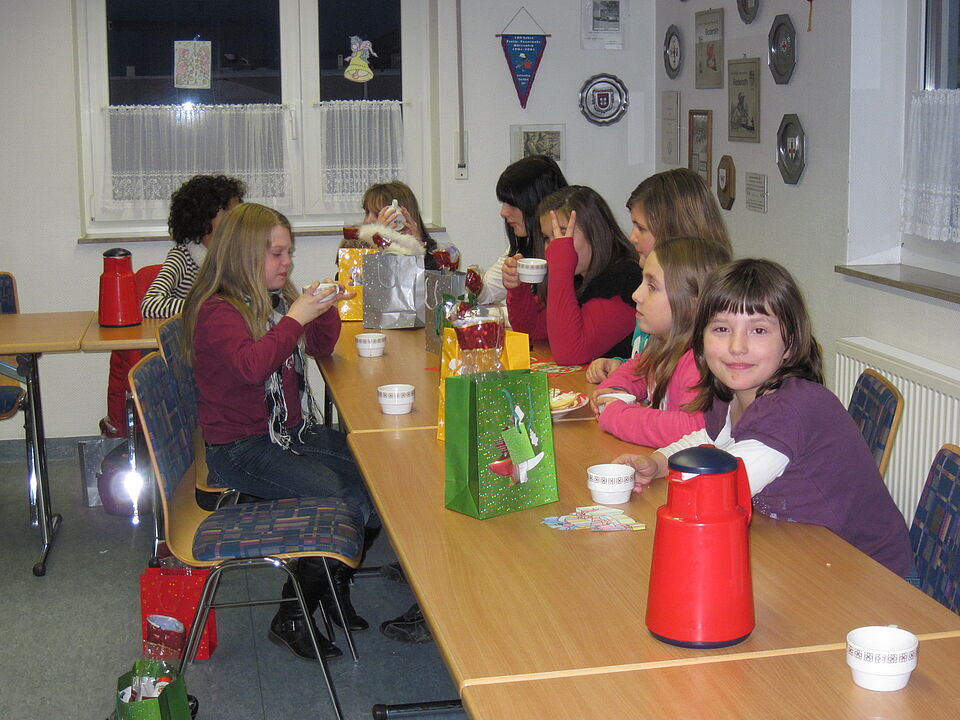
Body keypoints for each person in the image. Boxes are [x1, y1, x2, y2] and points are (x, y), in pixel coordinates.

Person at [613, 259, 915, 577]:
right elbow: (709, 440)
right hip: (804, 557)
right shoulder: (732, 391)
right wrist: (660, 463)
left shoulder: (790, 410)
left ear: (790, 344)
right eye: (721, 329)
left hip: (873, 577)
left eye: (758, 330)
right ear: (700, 338)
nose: (737, 347)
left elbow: (715, 495)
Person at [183, 203, 381, 661]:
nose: (287, 262)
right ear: (244, 255)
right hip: (241, 448)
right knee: (344, 497)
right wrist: (295, 317)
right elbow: (252, 368)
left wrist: (323, 310)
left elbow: (321, 346)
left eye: (288, 252)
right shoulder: (219, 311)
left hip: (287, 433)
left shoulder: (271, 300)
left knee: (376, 474)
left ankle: (330, 585)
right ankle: (292, 615)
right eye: (276, 254)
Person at [586, 167, 732, 383]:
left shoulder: (696, 334)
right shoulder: (652, 301)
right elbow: (649, 364)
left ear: (674, 234)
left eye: (641, 228)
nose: (632, 237)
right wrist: (619, 364)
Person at [591, 236, 732, 448]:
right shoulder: (663, 343)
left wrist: (618, 415)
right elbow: (636, 371)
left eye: (652, 286)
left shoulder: (700, 361)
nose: (636, 294)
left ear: (693, 304)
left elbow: (695, 429)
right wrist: (614, 390)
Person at [502, 185, 642, 365]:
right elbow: (531, 329)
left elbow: (569, 354)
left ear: (594, 231)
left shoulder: (624, 279)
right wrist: (518, 288)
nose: (553, 247)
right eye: (547, 238)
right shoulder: (579, 277)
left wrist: (561, 265)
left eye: (562, 234)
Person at [141, 174, 246, 318]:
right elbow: (150, 305)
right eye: (228, 211)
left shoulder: (238, 257)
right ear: (203, 216)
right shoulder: (182, 257)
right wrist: (210, 307)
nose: (237, 219)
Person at [479, 155, 568, 305]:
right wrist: (470, 281)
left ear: (538, 202)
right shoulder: (523, 245)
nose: (503, 212)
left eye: (513, 203)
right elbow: (487, 292)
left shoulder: (571, 251)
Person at [359, 181, 457, 270]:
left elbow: (432, 280)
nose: (368, 220)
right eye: (367, 213)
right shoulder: (359, 248)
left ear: (400, 219)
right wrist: (378, 243)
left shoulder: (433, 253)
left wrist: (415, 248)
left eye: (377, 214)